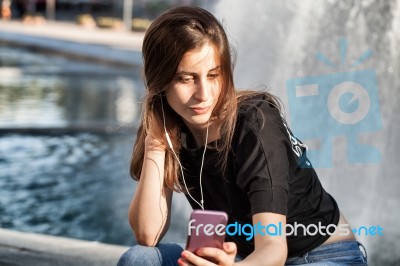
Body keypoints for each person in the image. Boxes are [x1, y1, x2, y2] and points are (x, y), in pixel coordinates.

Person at [118, 5, 368, 266]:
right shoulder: (170, 127)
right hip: (244, 257)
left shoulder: (255, 123)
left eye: (214, 75)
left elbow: (273, 249)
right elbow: (148, 234)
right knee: (140, 259)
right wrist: (156, 142)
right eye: (186, 78)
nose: (203, 94)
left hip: (322, 255)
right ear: (159, 81)